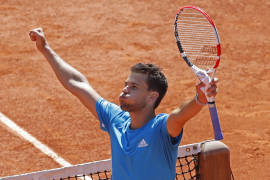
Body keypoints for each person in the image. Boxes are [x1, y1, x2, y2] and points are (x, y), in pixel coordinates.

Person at [29, 27, 218, 180]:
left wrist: (200, 99)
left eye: (134, 86)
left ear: (152, 96)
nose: (125, 89)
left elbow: (179, 116)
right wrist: (45, 49)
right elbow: (77, 84)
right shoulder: (115, 120)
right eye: (126, 84)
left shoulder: (161, 129)